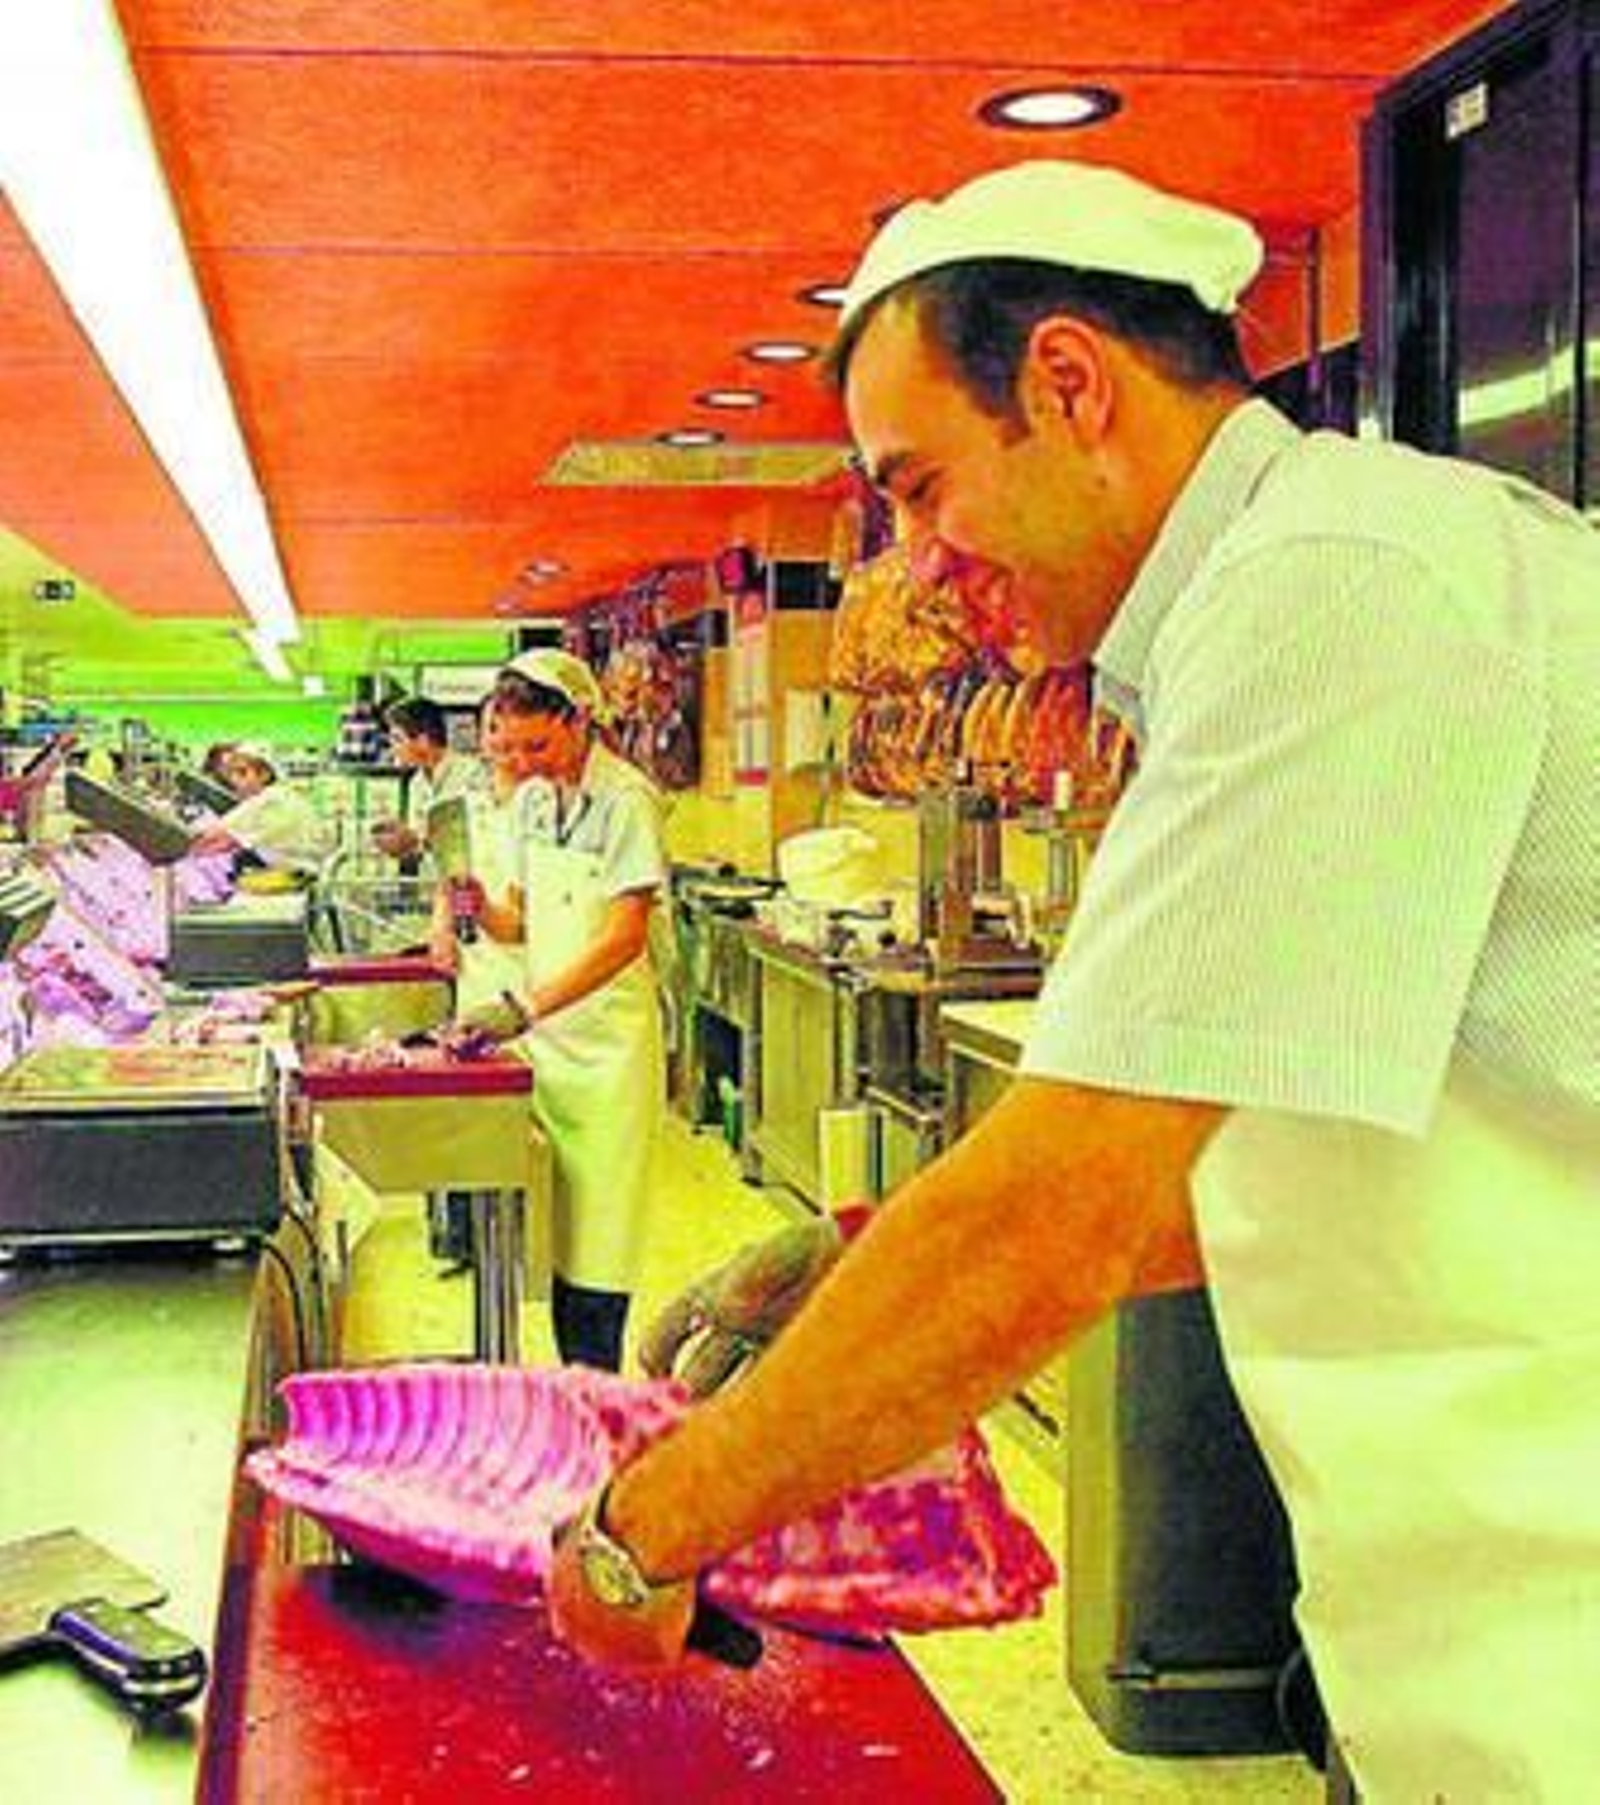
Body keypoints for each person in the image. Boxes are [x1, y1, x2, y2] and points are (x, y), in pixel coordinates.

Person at [543, 161, 1600, 1800]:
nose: (913, 563)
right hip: (1480, 1610)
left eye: (921, 487)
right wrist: (863, 1263)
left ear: (1068, 384)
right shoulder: (1298, 589)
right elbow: (1253, 1151)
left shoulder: (1341, 579)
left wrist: (642, 1533)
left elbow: (1078, 1206)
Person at [446, 649, 668, 1372]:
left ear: (578, 720)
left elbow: (625, 937)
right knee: (552, 1229)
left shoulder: (626, 800)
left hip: (607, 1053)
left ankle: (595, 1385)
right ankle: (566, 1385)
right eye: (507, 747)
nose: (521, 762)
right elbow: (522, 921)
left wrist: (525, 1006)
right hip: (548, 1043)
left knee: (600, 1234)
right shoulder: (536, 802)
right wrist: (478, 907)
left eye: (536, 745)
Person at [424, 693, 527, 1276]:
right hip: (479, 965)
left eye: (514, 731)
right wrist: (442, 927)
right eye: (493, 729)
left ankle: (525, 1238)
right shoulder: (462, 808)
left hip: (539, 968)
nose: (502, 743)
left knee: (531, 1111)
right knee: (477, 1099)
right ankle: (473, 1240)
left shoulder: (552, 805)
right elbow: (450, 879)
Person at [190, 742, 333, 876]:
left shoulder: (268, 800)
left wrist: (192, 848)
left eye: (242, 773)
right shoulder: (283, 794)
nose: (236, 781)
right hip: (309, 868)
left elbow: (214, 834)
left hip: (298, 873)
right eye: (231, 775)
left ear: (265, 774)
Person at [372, 695, 481, 863]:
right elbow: (419, 851)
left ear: (423, 741)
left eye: (398, 739)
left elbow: (476, 838)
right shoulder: (416, 784)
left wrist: (417, 840)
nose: (393, 749)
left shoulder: (473, 774)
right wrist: (400, 843)